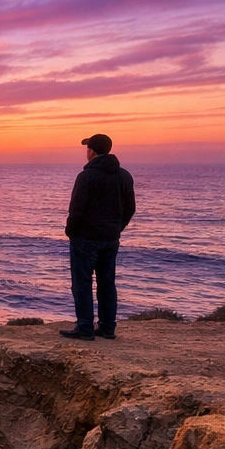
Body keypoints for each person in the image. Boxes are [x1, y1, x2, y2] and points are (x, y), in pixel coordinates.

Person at [61, 133, 135, 340]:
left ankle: (85, 327)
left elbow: (76, 209)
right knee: (107, 281)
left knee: (82, 282)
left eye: (87, 149)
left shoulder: (86, 177)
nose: (86, 152)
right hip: (110, 238)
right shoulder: (124, 176)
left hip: (85, 237)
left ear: (92, 151)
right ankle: (107, 326)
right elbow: (130, 208)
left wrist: (70, 231)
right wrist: (117, 228)